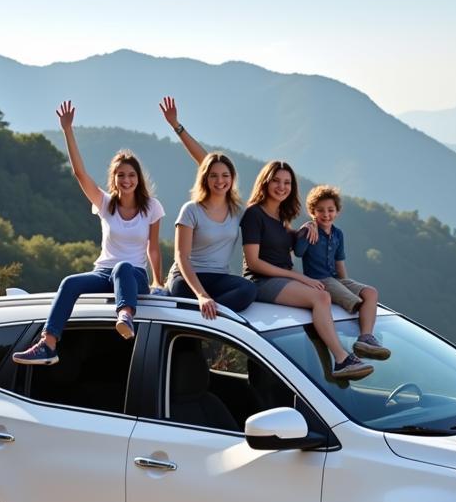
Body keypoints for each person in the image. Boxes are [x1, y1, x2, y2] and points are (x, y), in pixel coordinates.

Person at [158, 97, 372, 379]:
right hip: (215, 279)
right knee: (311, 297)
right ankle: (342, 359)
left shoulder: (242, 211)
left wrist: (302, 231)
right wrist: (178, 127)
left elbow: (210, 164)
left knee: (271, 294)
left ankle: (357, 344)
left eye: (225, 176)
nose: (219, 180)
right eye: (276, 181)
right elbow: (190, 257)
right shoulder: (221, 211)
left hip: (228, 277)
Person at [13, 100, 164, 365]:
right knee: (70, 283)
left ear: (138, 178)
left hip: (134, 276)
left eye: (130, 175)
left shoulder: (152, 207)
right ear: (114, 179)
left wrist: (158, 282)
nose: (126, 180)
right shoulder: (106, 204)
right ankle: (48, 344)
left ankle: (126, 316)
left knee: (123, 268)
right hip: (103, 273)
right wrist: (67, 129)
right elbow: (80, 173)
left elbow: (153, 248)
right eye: (120, 175)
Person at [295, 185, 389, 359]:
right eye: (320, 210)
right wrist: (306, 228)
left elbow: (340, 262)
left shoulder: (338, 234)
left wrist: (347, 284)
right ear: (312, 212)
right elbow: (298, 252)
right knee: (356, 303)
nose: (326, 214)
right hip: (320, 281)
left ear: (337, 211)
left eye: (330, 210)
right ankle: (354, 346)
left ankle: (365, 337)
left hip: (336, 279)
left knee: (370, 293)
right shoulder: (309, 230)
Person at [167, 151, 256, 318]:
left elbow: (263, 221)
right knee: (188, 296)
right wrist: (201, 295)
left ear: (232, 179)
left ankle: (207, 315)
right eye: (213, 175)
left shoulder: (238, 211)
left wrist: (305, 227)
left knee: (249, 289)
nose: (220, 181)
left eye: (225, 175)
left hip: (218, 277)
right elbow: (181, 256)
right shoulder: (191, 210)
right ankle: (208, 314)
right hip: (187, 279)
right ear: (205, 178)